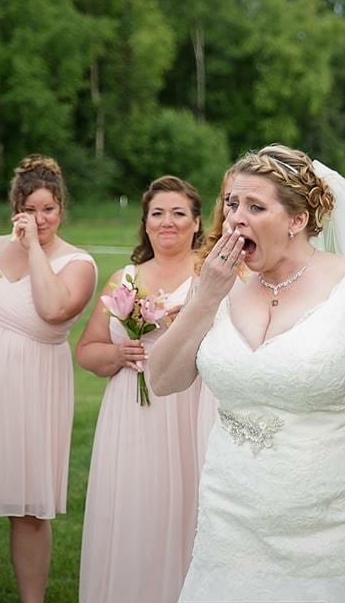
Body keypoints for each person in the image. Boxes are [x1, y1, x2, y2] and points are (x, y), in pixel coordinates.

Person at [149, 144, 345, 602]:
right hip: (232, 511)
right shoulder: (219, 282)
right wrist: (205, 298)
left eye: (255, 206)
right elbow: (163, 381)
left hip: (335, 516)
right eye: (233, 203)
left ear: (297, 220)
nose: (236, 218)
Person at [76, 175, 217, 603]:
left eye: (178, 213)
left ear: (196, 223)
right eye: (158, 213)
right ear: (146, 223)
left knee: (184, 509)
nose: (167, 222)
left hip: (188, 405)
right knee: (134, 508)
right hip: (131, 411)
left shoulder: (210, 275)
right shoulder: (126, 278)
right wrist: (119, 356)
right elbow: (87, 351)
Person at [0, 154, 97, 602]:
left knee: (28, 514)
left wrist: (35, 249)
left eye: (49, 209)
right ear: (14, 206)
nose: (39, 219)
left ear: (62, 208)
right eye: (30, 209)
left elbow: (53, 309)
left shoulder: (78, 263)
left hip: (33, 392)